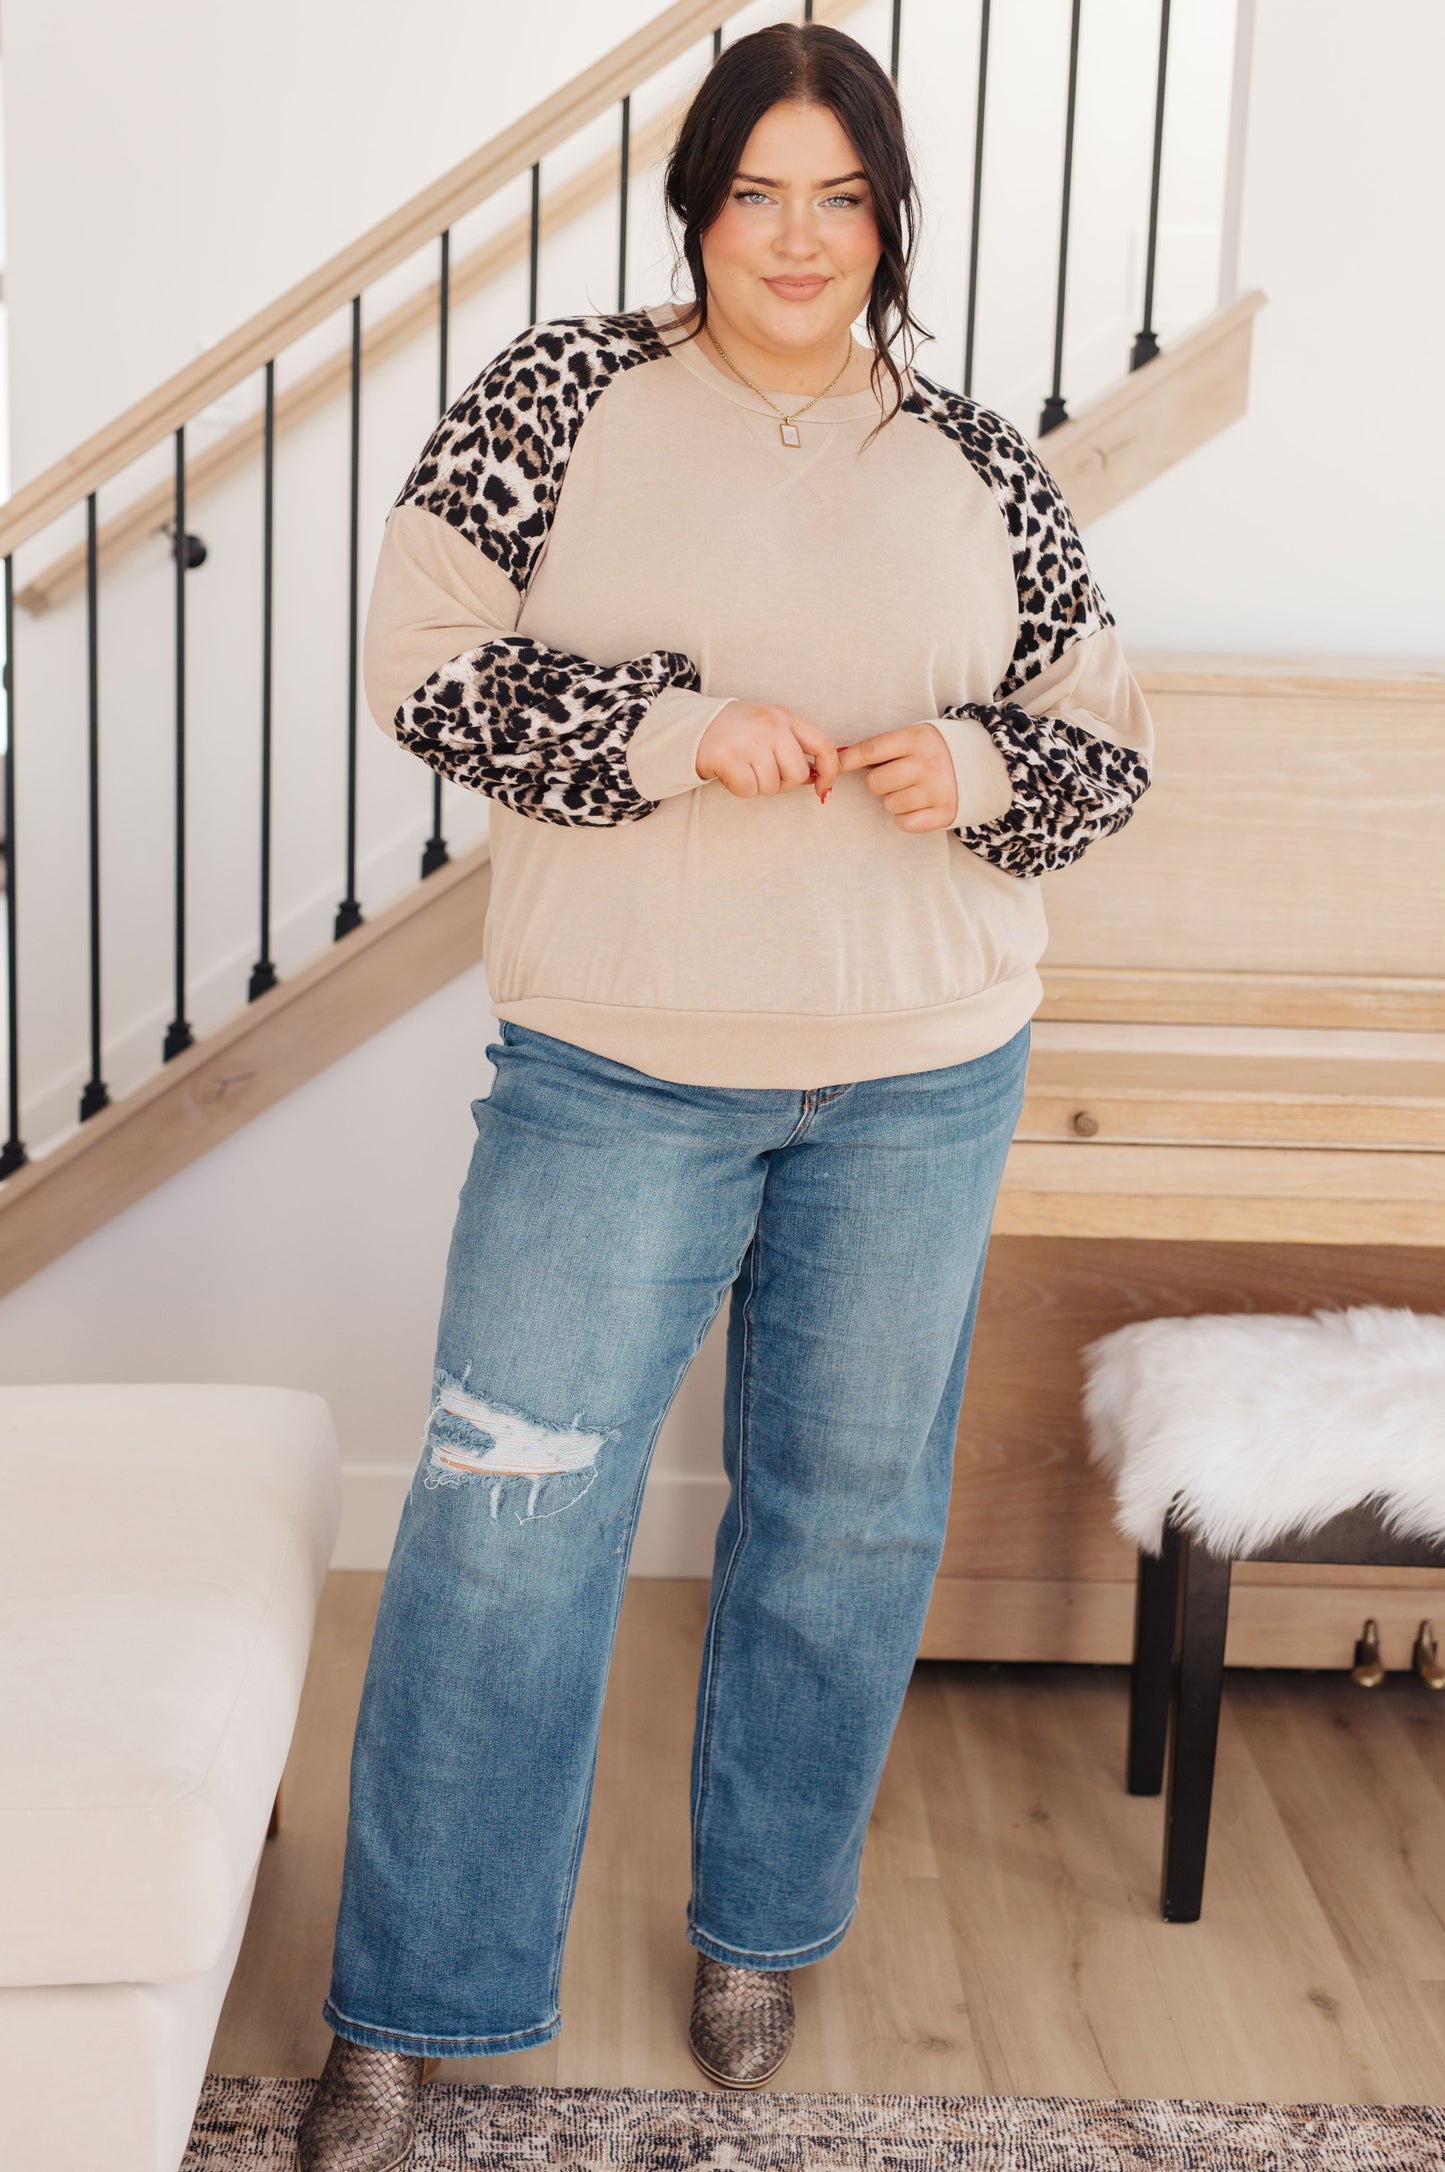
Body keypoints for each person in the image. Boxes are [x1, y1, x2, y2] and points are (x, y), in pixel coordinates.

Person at [298, 19, 1154, 2167]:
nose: (797, 237)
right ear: (694, 208)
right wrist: (679, 734)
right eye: (756, 192)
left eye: (839, 197)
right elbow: (422, 670)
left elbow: (1098, 752)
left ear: (888, 221)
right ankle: (409, 2007)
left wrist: (972, 765)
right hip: (620, 1068)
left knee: (844, 1527)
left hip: (924, 1075)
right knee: (505, 1526)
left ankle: (760, 1933)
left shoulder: (975, 459)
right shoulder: (557, 398)